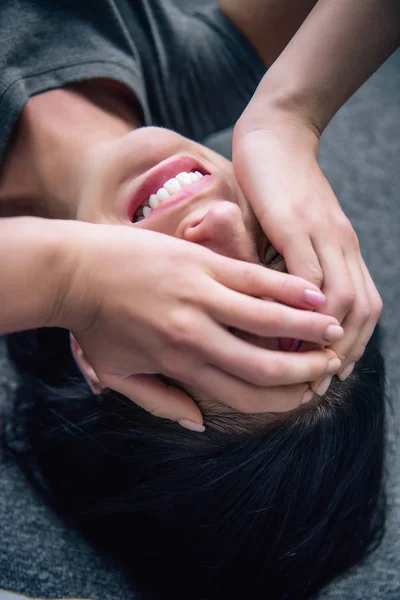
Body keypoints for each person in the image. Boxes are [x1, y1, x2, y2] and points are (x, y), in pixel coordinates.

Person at [0, 0, 395, 597]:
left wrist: (69, 278)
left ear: (98, 361)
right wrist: (289, 112)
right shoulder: (205, 64)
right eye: (275, 257)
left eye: (209, 304)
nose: (216, 223)